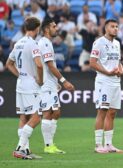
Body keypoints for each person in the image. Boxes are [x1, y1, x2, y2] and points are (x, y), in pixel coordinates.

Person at [6, 17, 43, 159]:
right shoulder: (33, 44)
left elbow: (9, 63)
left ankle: (25, 150)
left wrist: (20, 74)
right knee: (37, 116)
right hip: (31, 86)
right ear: (37, 28)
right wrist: (40, 79)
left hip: (21, 84)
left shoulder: (18, 43)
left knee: (23, 117)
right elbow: (39, 64)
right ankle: (20, 148)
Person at [38, 18, 75, 154]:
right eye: (54, 26)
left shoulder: (47, 42)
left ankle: (50, 144)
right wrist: (63, 81)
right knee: (48, 112)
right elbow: (50, 65)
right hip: (46, 85)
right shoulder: (45, 43)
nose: (56, 29)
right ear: (47, 29)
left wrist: (55, 83)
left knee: (56, 112)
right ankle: (48, 146)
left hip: (50, 83)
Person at [90, 19, 123, 153]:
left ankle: (109, 144)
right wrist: (107, 72)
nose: (115, 29)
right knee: (102, 111)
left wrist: (121, 70)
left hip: (116, 82)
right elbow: (92, 63)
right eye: (112, 26)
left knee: (112, 113)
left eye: (117, 26)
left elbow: (118, 62)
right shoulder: (98, 43)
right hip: (104, 81)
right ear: (106, 28)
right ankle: (98, 145)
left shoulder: (117, 44)